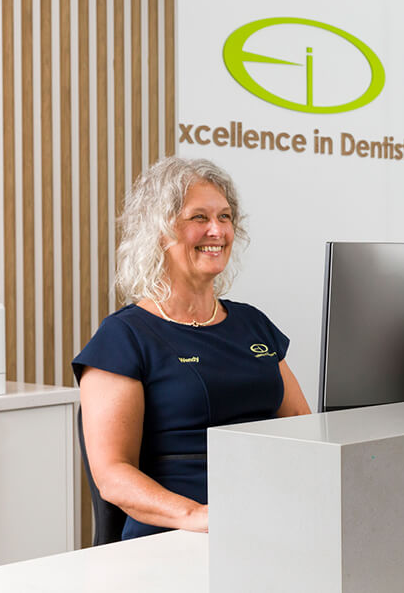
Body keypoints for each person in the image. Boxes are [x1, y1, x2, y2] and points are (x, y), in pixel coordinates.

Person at [73, 157, 310, 539]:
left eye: (226, 217)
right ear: (159, 231)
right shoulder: (124, 337)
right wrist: (198, 515)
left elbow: (302, 428)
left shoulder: (254, 323)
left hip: (267, 516)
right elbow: (113, 475)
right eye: (199, 218)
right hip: (179, 530)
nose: (217, 230)